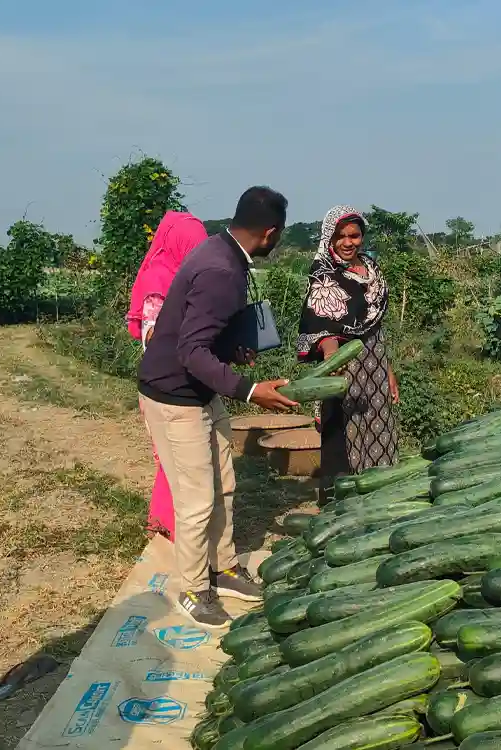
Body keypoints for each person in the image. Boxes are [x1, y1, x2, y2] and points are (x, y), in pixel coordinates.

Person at [138, 186, 298, 627]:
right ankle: (194, 588)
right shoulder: (221, 269)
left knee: (223, 483)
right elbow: (191, 352)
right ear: (270, 232)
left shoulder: (220, 249)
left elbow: (202, 334)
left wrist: (231, 347)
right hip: (174, 396)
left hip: (200, 391)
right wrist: (250, 390)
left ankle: (222, 565)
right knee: (195, 500)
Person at [296, 205, 399, 498]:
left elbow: (376, 325)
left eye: (354, 235)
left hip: (375, 361)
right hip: (343, 364)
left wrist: (388, 370)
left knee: (379, 429)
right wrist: (332, 356)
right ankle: (340, 505)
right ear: (329, 237)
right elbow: (321, 323)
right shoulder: (323, 274)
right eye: (340, 236)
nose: (348, 242)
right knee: (343, 432)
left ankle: (379, 495)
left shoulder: (371, 268)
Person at [125, 211, 209, 542]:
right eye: (192, 247)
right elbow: (152, 338)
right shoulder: (159, 278)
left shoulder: (184, 275)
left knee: (174, 460)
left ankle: (163, 521)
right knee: (176, 460)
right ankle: (172, 527)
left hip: (182, 379)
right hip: (166, 384)